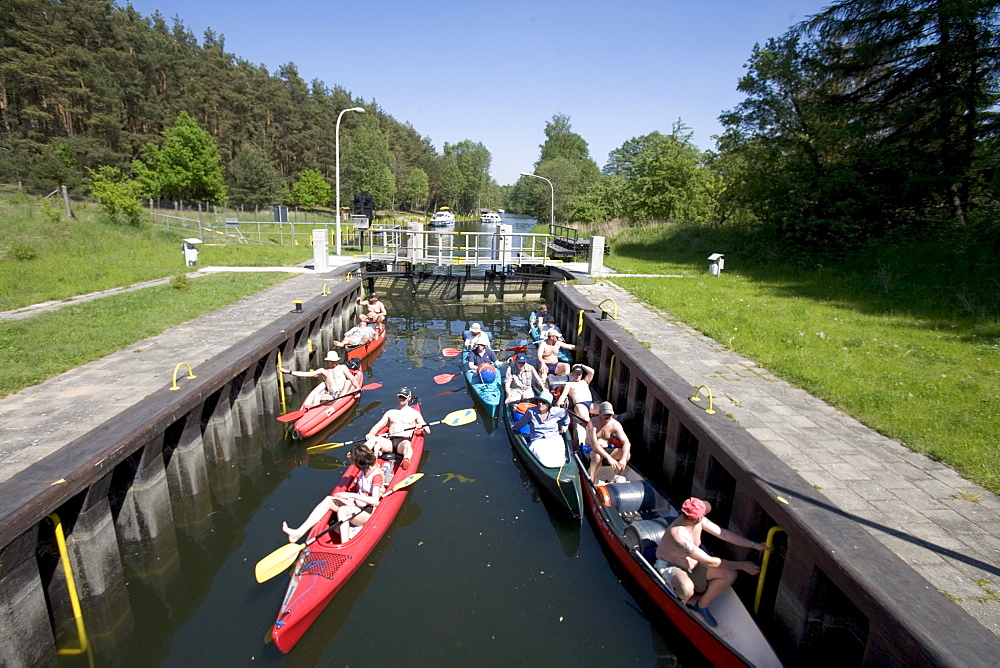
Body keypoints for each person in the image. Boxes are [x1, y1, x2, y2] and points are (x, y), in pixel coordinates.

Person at [654, 497, 768, 628]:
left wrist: (754, 545)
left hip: (693, 564)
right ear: (698, 518)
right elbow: (710, 562)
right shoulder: (679, 536)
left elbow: (724, 534)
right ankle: (679, 611)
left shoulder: (698, 520)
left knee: (730, 575)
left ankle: (701, 605)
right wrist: (742, 565)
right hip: (670, 566)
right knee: (687, 589)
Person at [281, 444, 384, 543]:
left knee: (343, 510)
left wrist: (351, 495)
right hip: (357, 506)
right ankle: (299, 532)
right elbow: (362, 455)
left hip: (368, 513)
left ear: (359, 461)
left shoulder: (376, 476)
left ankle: (345, 542)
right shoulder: (365, 468)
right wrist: (352, 456)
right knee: (328, 500)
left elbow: (375, 501)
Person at [365, 387, 430, 470]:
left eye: (404, 397)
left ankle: (406, 459)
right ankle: (357, 454)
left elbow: (428, 431)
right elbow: (378, 425)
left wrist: (421, 428)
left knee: (407, 444)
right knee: (373, 439)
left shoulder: (415, 414)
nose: (401, 399)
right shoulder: (390, 412)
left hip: (402, 443)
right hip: (390, 441)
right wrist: (371, 433)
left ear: (409, 398)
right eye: (400, 397)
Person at [509, 390, 570, 467]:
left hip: (553, 438)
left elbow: (565, 415)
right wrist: (513, 428)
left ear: (549, 404)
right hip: (538, 441)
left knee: (559, 458)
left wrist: (565, 426)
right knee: (543, 460)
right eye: (539, 401)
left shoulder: (557, 411)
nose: (540, 404)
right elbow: (522, 422)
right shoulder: (531, 412)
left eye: (543, 402)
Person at [279, 350, 360, 407]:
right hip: (331, 395)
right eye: (332, 361)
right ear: (328, 361)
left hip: (342, 392)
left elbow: (352, 378)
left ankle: (339, 402)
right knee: (317, 396)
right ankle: (313, 412)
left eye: (335, 361)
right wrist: (289, 372)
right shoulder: (323, 371)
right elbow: (307, 374)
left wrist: (358, 389)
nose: (334, 362)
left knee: (348, 382)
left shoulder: (342, 367)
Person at [586, 401, 632, 483]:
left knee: (627, 454)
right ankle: (592, 479)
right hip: (590, 450)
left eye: (610, 415)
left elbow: (626, 442)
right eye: (605, 414)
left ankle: (615, 477)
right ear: (599, 413)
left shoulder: (615, 424)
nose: (608, 417)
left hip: (605, 449)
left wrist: (623, 459)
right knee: (597, 457)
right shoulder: (593, 422)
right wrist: (609, 458)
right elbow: (594, 444)